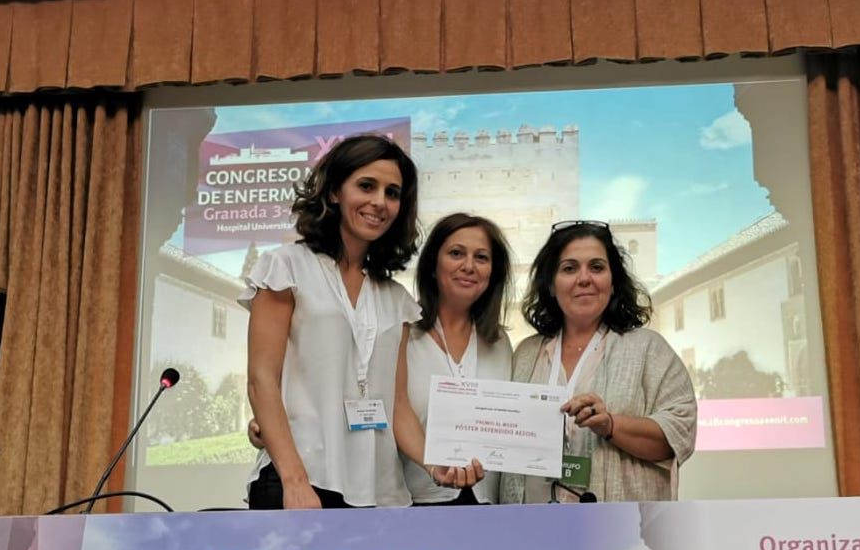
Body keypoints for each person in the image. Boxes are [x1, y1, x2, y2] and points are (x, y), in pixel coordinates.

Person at [240, 134, 477, 509]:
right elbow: (261, 381)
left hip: (380, 493)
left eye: (392, 193)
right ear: (335, 192)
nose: (380, 202)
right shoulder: (285, 267)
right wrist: (294, 481)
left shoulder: (396, 299)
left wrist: (436, 465)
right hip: (301, 482)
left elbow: (397, 405)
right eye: (366, 186)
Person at [500, 220, 697, 503]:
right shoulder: (526, 353)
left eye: (596, 267)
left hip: (617, 524)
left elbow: (679, 433)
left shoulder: (648, 349)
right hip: (531, 523)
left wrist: (611, 425)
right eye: (569, 268)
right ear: (551, 285)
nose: (584, 278)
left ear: (613, 282)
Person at [396, 213, 514, 504]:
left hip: (487, 504)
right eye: (456, 253)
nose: (469, 266)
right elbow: (394, 409)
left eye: (481, 257)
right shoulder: (402, 333)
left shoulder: (499, 343)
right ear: (433, 265)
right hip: (417, 502)